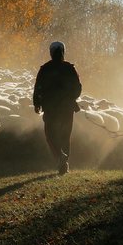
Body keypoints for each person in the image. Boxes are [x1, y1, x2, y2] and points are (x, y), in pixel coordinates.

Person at [32, 41, 82, 175]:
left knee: (50, 135)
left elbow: (38, 87)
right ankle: (64, 162)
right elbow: (78, 87)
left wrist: (37, 102)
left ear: (51, 52)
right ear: (63, 51)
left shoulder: (45, 68)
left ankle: (60, 157)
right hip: (67, 108)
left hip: (50, 107)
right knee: (65, 135)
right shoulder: (70, 68)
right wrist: (71, 98)